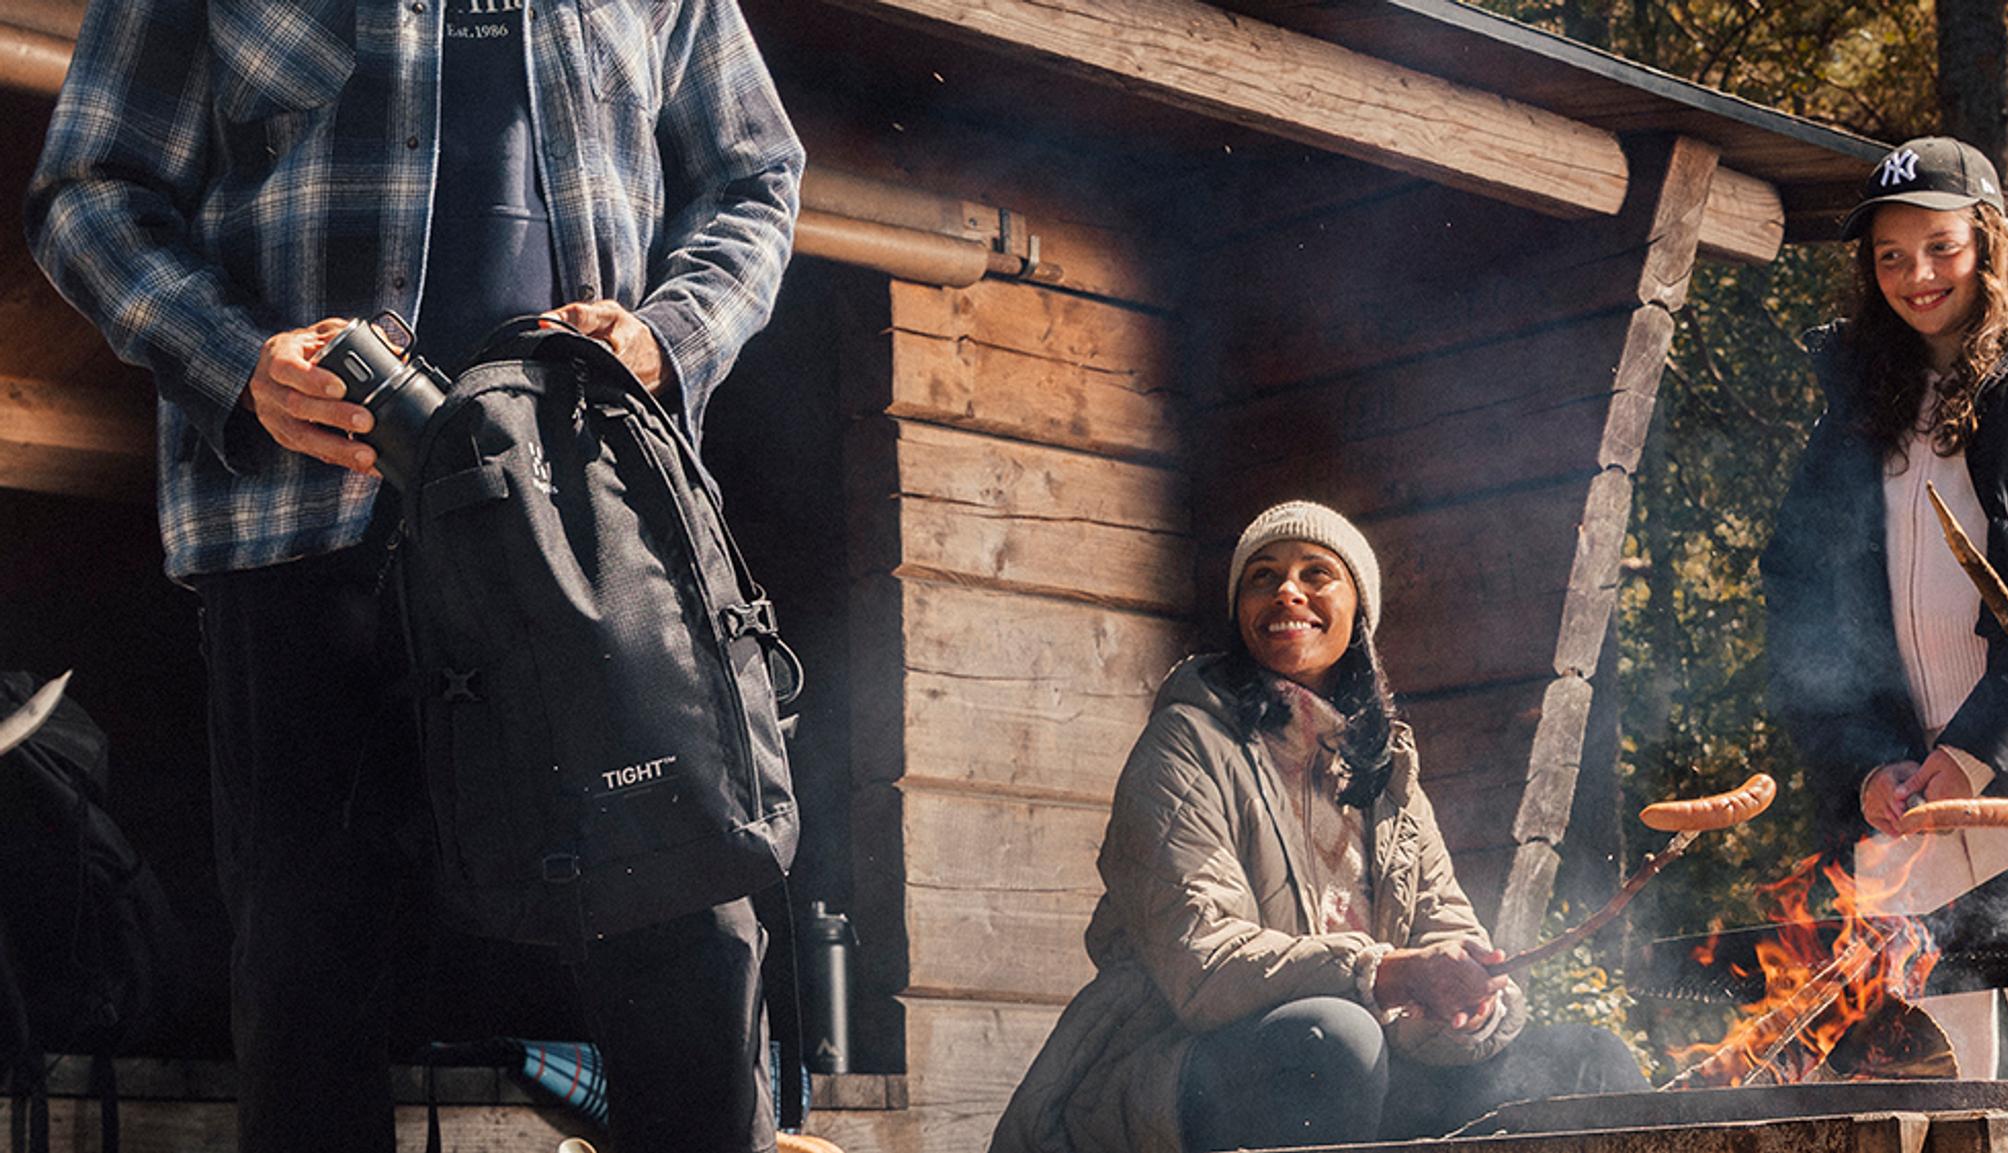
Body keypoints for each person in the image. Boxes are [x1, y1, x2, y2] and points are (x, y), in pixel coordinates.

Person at [25, 2, 803, 1151]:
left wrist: (666, 340)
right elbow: (87, 190)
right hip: (305, 536)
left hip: (591, 537)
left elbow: (755, 177)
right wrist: (238, 364)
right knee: (308, 978)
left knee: (686, 944)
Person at [989, 500, 1646, 1153]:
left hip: (1364, 1068)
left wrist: (1467, 1003)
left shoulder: (1383, 770)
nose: (1286, 591)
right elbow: (1203, 964)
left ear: (1358, 609)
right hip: (1172, 1077)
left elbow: (1443, 925)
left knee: (1589, 1060)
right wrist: (1388, 971)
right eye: (1262, 576)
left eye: (1316, 573)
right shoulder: (1186, 744)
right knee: (1334, 1038)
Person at [1762, 135, 2008, 1080]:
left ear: (1990, 243)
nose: (1915, 275)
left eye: (1938, 246)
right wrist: (1865, 766)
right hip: (1908, 800)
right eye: (1890, 254)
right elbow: (1802, 595)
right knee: (1947, 1067)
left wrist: (1978, 755)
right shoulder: (1854, 404)